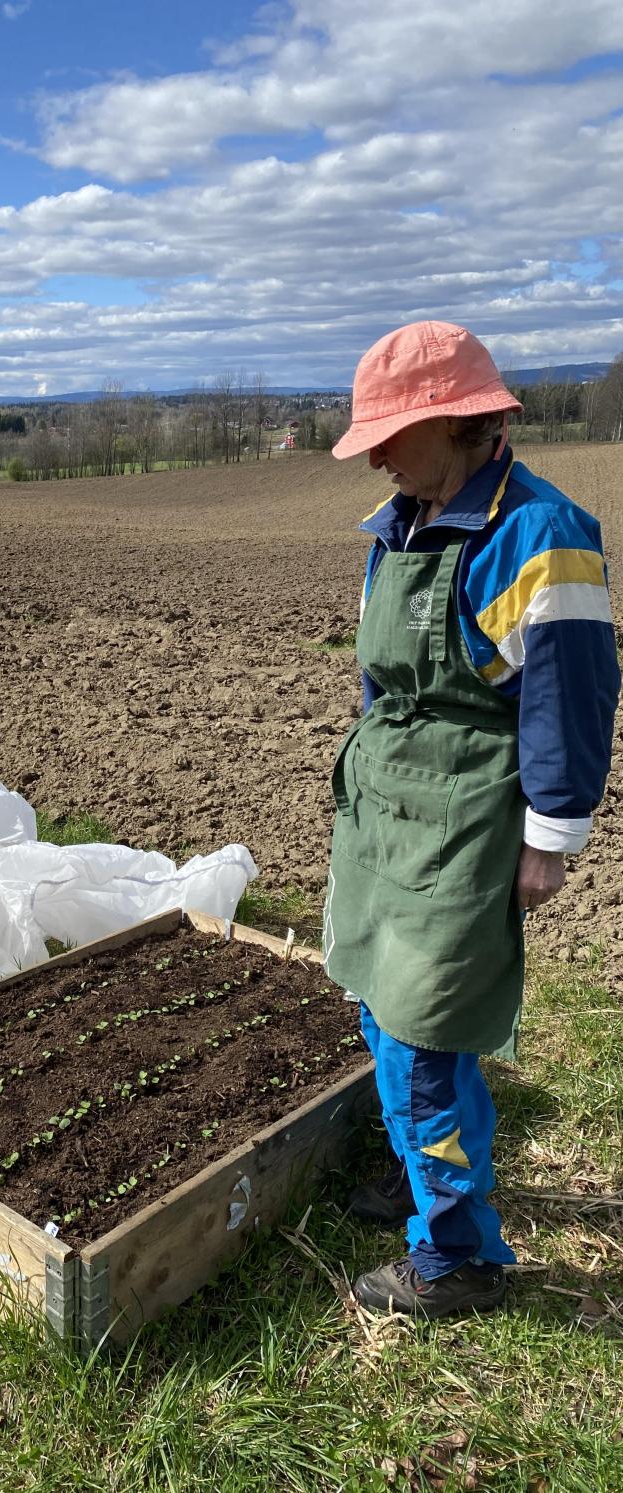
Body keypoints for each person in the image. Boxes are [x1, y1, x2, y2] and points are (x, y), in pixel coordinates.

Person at [324, 321, 619, 1318]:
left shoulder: (539, 536)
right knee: (380, 1004)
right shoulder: (399, 524)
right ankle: (425, 1179)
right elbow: (383, 680)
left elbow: (570, 697)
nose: (376, 456)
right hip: (386, 817)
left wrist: (551, 837)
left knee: (426, 1033)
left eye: (391, 435)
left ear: (459, 422)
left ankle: (457, 1257)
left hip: (463, 823)